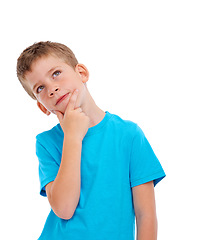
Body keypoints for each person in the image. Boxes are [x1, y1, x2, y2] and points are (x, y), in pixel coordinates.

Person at [16, 41, 166, 240]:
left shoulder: (128, 135)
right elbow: (64, 209)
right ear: (43, 107)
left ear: (82, 73)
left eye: (56, 74)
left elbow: (145, 215)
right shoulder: (46, 143)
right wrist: (72, 136)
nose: (52, 88)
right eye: (40, 88)